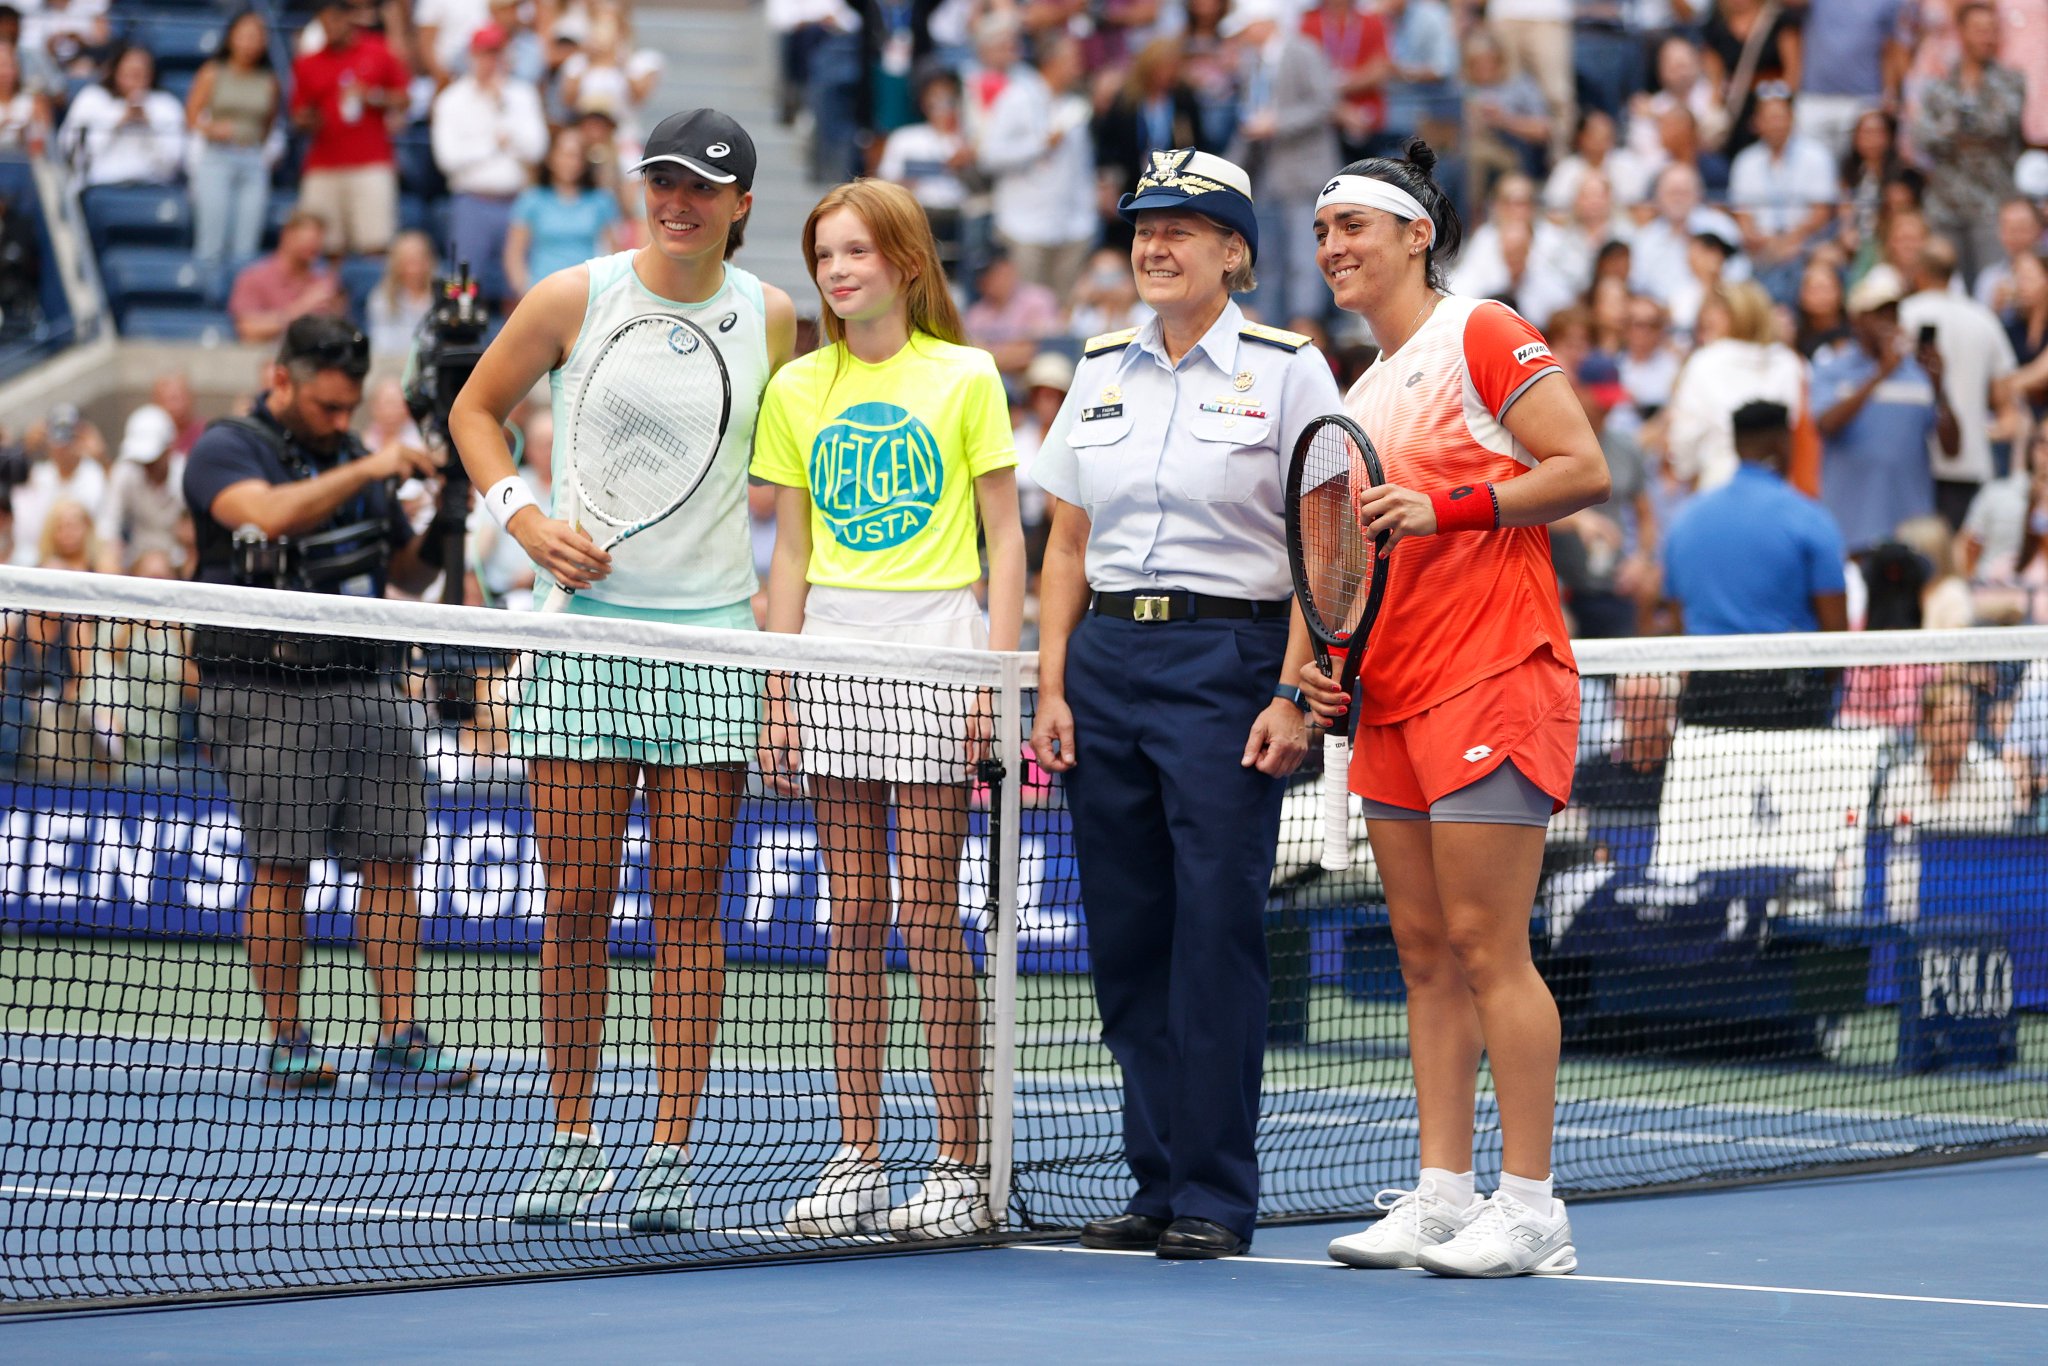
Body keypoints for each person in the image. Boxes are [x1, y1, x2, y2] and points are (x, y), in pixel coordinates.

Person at [448, 108, 796, 1233]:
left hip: (710, 645)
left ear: (740, 205)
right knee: (576, 910)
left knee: (688, 910)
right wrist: (525, 519)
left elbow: (789, 487)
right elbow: (474, 411)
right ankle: (570, 1136)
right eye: (662, 180)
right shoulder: (572, 294)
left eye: (702, 186)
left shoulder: (774, 319)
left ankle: (670, 1148)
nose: (677, 200)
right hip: (581, 640)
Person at [1303, 140, 1610, 1278]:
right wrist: (1324, 666)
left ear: (1415, 234)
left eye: (1355, 229)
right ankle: (1441, 1191)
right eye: (1324, 232)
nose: (1334, 248)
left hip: (1494, 671)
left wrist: (1449, 507)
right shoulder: (1360, 392)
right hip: (1390, 695)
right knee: (1424, 953)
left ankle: (1530, 1205)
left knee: (1489, 944)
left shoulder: (1478, 330)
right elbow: (1338, 565)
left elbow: (1581, 468)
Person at [1028, 149, 1334, 1261]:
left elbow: (1325, 543)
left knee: (1213, 934)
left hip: (1230, 658)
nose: (1154, 245)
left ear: (1235, 253)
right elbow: (1063, 540)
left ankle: (1213, 1192)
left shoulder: (1290, 369)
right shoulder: (1097, 365)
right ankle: (1154, 1182)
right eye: (1143, 227)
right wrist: (1052, 680)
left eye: (1182, 228)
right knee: (1126, 939)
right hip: (1106, 658)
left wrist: (1293, 689)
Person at [751, 177, 1024, 1241]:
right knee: (852, 912)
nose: (837, 270)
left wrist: (989, 682)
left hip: (935, 647)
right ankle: (857, 1151)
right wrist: (780, 688)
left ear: (906, 262)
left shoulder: (966, 375)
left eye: (857, 251)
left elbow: (1006, 538)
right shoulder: (796, 387)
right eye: (824, 254)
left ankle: (956, 1159)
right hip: (831, 646)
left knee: (925, 911)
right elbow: (791, 550)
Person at [181, 315, 473, 1093]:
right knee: (283, 864)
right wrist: (372, 462)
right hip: (264, 687)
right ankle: (287, 1038)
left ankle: (400, 1036)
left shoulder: (354, 459)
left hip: (367, 681)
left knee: (393, 858)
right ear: (283, 379)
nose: (339, 422)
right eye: (326, 408)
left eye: (349, 411)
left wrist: (447, 518)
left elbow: (405, 577)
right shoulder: (226, 447)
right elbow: (265, 516)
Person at [1663, 401, 1847, 726]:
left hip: (1707, 698)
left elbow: (1680, 622)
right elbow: (1836, 636)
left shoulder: (1685, 520)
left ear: (1735, 444)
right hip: (1790, 703)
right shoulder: (1810, 519)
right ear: (1782, 442)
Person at [1816, 265, 1959, 553]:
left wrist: (1940, 389)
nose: (1887, 321)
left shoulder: (1918, 373)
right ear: (1856, 320)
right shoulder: (1834, 367)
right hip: (1850, 527)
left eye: (1892, 312)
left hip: (1910, 531)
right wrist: (1880, 374)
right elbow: (1826, 425)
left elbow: (1952, 448)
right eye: (1877, 314)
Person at [431, 23, 549, 306]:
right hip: (471, 200)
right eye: (484, 54)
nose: (490, 61)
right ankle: (460, 343)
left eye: (496, 53)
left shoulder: (521, 95)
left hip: (518, 201)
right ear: (472, 56)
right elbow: (447, 160)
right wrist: (495, 144)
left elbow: (537, 150)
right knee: (463, 283)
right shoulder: (452, 99)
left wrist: (502, 107)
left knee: (519, 285)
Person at [288, 0, 407, 260]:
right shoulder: (308, 63)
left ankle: (373, 298)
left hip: (371, 159)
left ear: (348, 20)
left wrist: (373, 97)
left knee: (375, 242)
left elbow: (404, 98)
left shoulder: (377, 51)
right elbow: (297, 115)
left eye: (335, 19)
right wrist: (308, 119)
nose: (330, 27)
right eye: (324, 21)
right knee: (324, 248)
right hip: (324, 161)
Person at [184, 9, 279, 271]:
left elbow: (268, 124)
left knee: (246, 246)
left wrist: (252, 144)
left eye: (257, 35)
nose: (250, 41)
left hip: (252, 159)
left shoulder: (269, 81)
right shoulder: (212, 72)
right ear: (231, 38)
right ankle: (206, 302)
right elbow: (191, 117)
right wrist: (211, 129)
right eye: (245, 34)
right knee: (211, 241)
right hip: (217, 157)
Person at [504, 126, 620, 302]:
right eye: (564, 154)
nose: (570, 162)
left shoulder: (601, 200)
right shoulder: (532, 199)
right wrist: (524, 291)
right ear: (551, 157)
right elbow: (514, 253)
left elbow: (615, 253)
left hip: (588, 294)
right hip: (541, 292)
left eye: (576, 156)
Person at [56, 44, 183, 187]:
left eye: (141, 73)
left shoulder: (166, 105)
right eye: (129, 73)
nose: (135, 79)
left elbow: (173, 164)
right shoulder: (91, 98)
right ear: (115, 71)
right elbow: (71, 150)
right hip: (101, 186)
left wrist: (148, 125)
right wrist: (118, 121)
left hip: (152, 188)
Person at [227, 210, 349, 345]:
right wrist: (301, 308)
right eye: (307, 241)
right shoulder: (254, 277)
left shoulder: (323, 282)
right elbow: (248, 331)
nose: (312, 247)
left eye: (317, 243)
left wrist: (336, 309)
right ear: (287, 235)